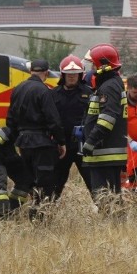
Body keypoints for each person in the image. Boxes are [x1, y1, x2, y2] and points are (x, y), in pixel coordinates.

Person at [6, 58, 67, 217]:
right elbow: (53, 120)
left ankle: (14, 212)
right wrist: (61, 141)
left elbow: (10, 119)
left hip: (23, 143)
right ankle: (39, 216)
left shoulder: (18, 89)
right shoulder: (43, 90)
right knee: (45, 182)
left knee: (29, 180)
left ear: (30, 71)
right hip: (42, 144)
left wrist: (15, 140)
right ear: (46, 73)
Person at [81, 44, 128, 202]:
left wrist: (91, 141)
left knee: (105, 200)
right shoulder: (109, 84)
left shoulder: (108, 87)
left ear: (103, 66)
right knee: (109, 199)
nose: (92, 68)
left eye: (93, 64)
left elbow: (108, 117)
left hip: (104, 154)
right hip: (105, 153)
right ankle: (115, 227)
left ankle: (114, 227)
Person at [52, 54, 93, 198]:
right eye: (68, 74)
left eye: (75, 74)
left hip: (83, 146)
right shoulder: (53, 94)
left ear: (80, 74)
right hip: (62, 146)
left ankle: (105, 210)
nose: (72, 77)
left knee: (93, 182)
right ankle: (47, 212)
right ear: (63, 75)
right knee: (56, 183)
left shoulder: (89, 93)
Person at [0, 126, 32, 218]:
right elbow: (0, 137)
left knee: (25, 180)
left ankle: (11, 209)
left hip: (8, 154)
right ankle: (1, 213)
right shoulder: (17, 125)